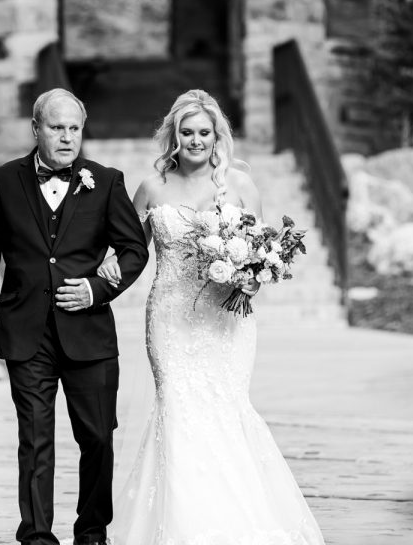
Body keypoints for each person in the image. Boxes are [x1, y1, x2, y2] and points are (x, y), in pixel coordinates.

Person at [99, 89, 326, 544]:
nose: (196, 140)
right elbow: (127, 249)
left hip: (226, 322)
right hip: (170, 317)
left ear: (217, 136)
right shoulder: (151, 188)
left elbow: (265, 257)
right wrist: (104, 265)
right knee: (179, 411)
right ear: (174, 136)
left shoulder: (240, 186)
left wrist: (251, 275)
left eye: (205, 132)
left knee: (225, 410)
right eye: (187, 132)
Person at [0, 88, 150, 545]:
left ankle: (91, 532)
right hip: (26, 334)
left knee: (98, 439)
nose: (67, 138)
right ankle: (37, 536)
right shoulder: (1, 181)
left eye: (74, 129)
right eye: (56, 127)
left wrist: (97, 288)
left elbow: (134, 250)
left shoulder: (105, 181)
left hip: (89, 334)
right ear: (36, 129)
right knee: (35, 439)